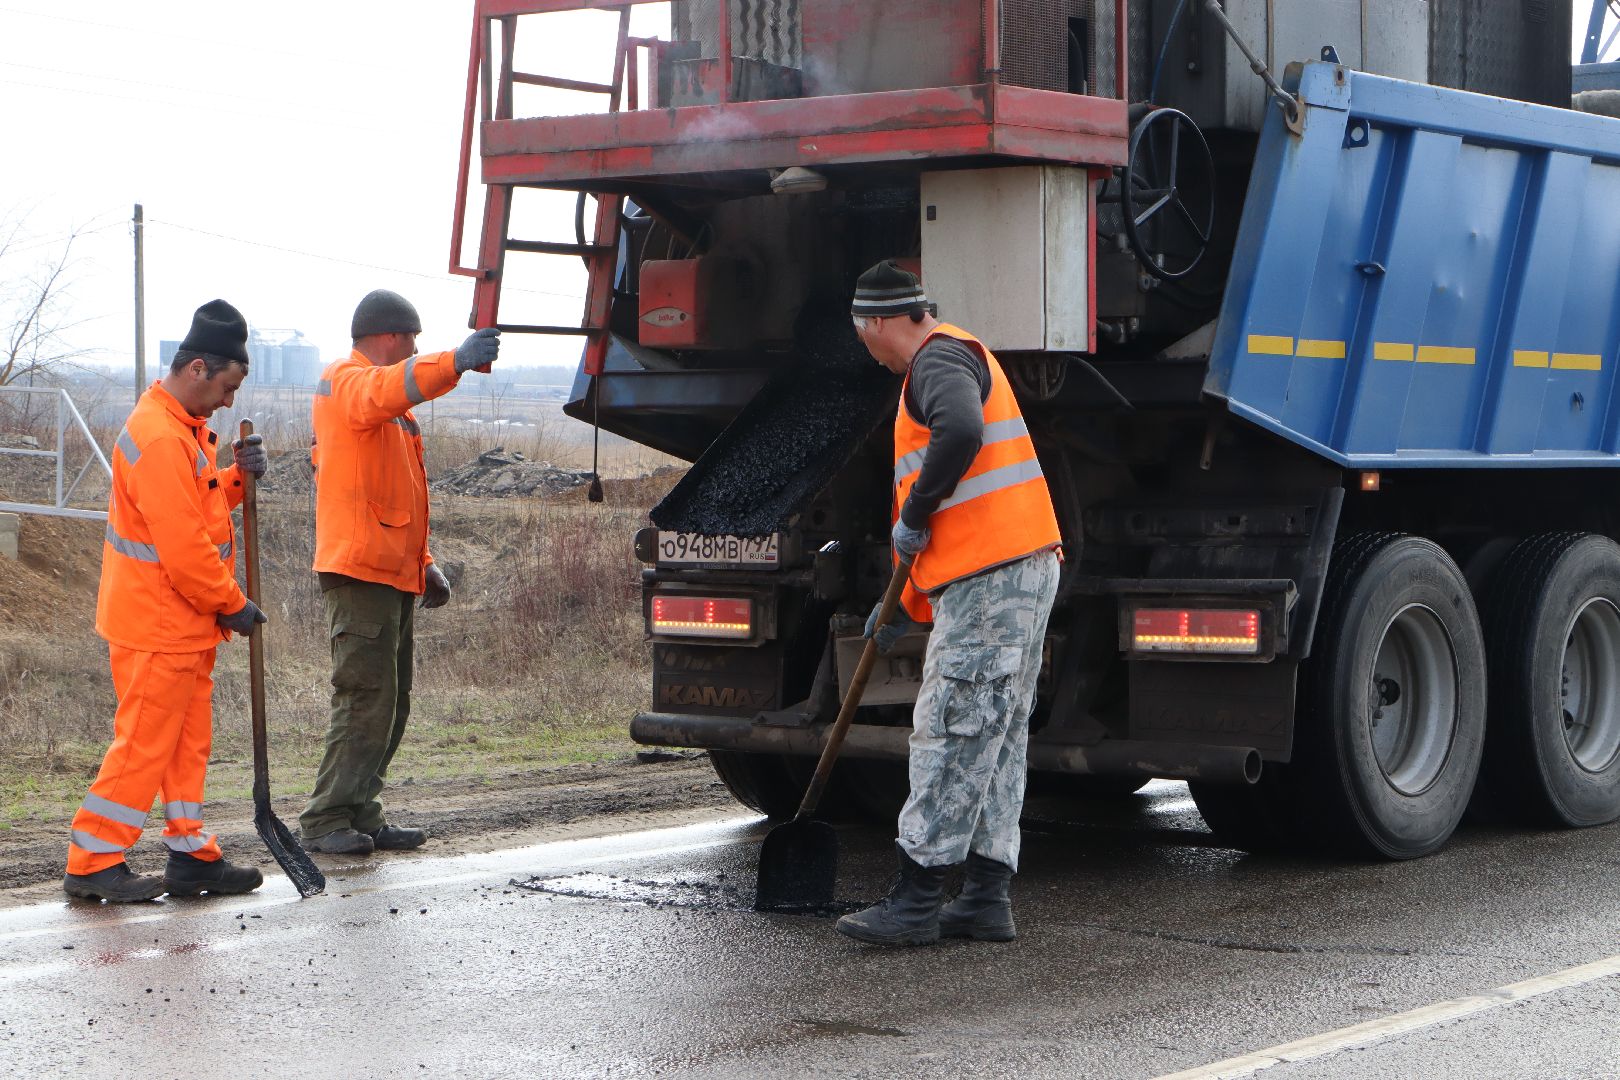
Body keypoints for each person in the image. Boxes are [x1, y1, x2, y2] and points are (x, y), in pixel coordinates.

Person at [835, 261, 1062, 947]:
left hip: (994, 578)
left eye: (862, 334)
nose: (865, 348)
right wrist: (901, 601)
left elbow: (959, 434)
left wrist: (920, 504)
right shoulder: (958, 352)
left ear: (876, 323)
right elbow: (951, 520)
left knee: (954, 727)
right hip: (1016, 568)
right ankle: (986, 898)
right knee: (995, 735)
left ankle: (916, 900)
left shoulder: (935, 365)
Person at [63, 299, 270, 902]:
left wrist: (236, 479)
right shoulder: (158, 437)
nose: (229, 403)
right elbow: (182, 548)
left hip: (182, 624)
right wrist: (231, 601)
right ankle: (93, 859)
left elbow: (194, 513)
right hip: (157, 624)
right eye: (227, 387)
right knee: (144, 746)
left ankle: (191, 856)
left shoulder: (183, 430)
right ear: (199, 368)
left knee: (185, 747)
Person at [299, 290, 500, 855]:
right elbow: (391, 385)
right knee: (364, 698)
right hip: (359, 573)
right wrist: (454, 359)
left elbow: (392, 496)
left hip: (390, 573)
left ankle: (361, 812)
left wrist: (425, 563)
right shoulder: (349, 380)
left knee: (391, 700)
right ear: (390, 336)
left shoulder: (384, 408)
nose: (414, 349)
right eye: (411, 339)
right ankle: (325, 818)